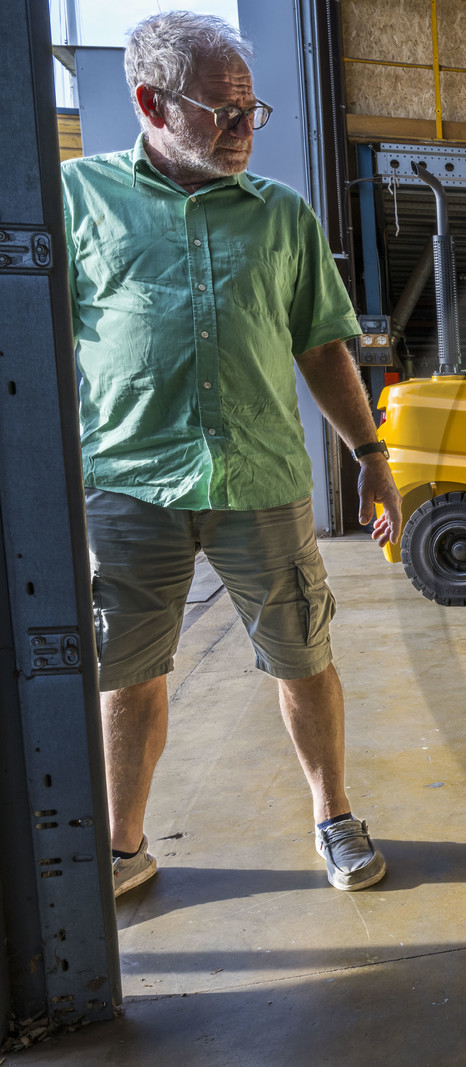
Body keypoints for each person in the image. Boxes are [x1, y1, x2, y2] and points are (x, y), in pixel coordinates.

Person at [61, 12, 401, 896]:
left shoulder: (281, 215)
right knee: (127, 669)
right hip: (130, 482)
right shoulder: (76, 200)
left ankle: (334, 814)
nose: (245, 129)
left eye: (254, 110)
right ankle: (123, 844)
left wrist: (370, 452)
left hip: (260, 478)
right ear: (150, 102)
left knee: (303, 654)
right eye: (222, 111)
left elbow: (324, 344)